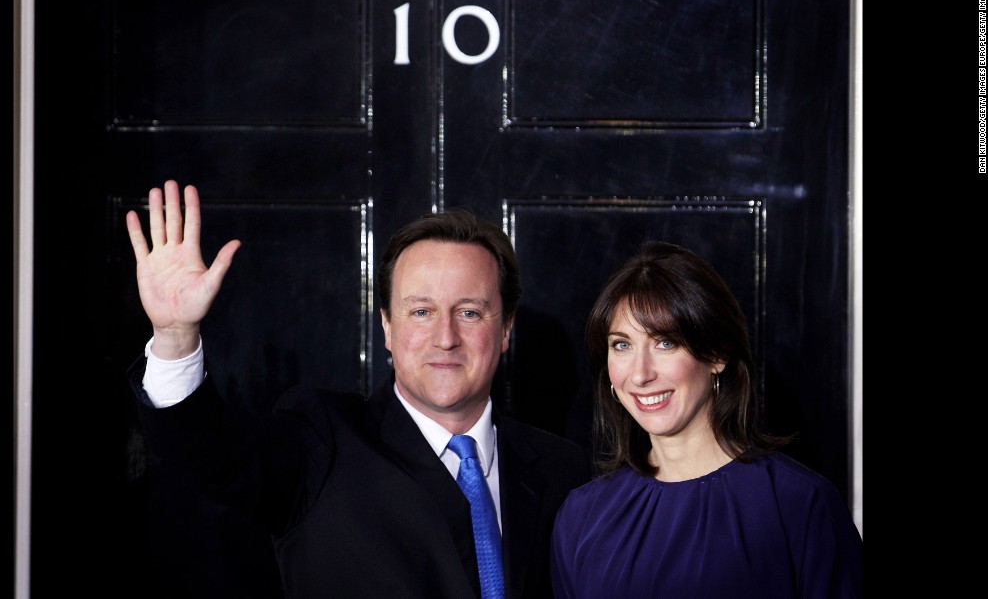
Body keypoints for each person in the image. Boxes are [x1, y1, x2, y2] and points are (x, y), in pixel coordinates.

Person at [125, 179, 592, 598]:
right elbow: (206, 452)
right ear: (387, 327)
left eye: (469, 312)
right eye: (420, 311)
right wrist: (174, 337)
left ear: (506, 328)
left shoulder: (563, 470)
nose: (445, 337)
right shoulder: (320, 440)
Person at [550, 241, 863, 599]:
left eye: (665, 343)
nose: (640, 374)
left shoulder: (800, 504)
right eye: (622, 345)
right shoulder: (581, 516)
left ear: (716, 354)